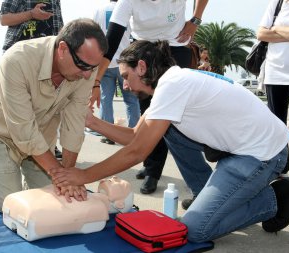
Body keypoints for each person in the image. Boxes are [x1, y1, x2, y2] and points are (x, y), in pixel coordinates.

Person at [52, 40, 289, 242]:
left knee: (194, 230)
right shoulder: (171, 83)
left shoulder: (172, 85)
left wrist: (83, 176)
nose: (124, 85)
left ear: (143, 67)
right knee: (168, 131)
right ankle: (207, 197)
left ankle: (273, 198)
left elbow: (137, 151)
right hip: (242, 148)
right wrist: (93, 122)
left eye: (126, 76)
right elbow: (137, 136)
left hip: (263, 154)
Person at [0, 18, 108, 212]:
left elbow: (74, 123)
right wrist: (60, 175)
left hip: (42, 138)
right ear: (62, 49)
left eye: (93, 68)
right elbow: (24, 129)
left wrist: (67, 176)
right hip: (1, 134)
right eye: (84, 66)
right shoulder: (16, 60)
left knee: (55, 197)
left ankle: (22, 179)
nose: (88, 75)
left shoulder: (86, 66)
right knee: (8, 201)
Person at [89, 0, 209, 195]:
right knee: (149, 114)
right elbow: (111, 42)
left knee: (178, 122)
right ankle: (152, 169)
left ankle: (199, 183)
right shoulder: (127, 2)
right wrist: (96, 81)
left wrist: (196, 19)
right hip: (144, 47)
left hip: (175, 46)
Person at [0, 0, 64, 158]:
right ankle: (9, 142)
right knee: (17, 103)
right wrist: (31, 14)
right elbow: (4, 19)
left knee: (49, 103)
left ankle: (48, 145)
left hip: (48, 56)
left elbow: (60, 26)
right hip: (19, 56)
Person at [93, 0, 140, 145]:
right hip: (124, 62)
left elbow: (94, 33)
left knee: (106, 98)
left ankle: (108, 135)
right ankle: (134, 133)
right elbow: (135, 33)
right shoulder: (127, 9)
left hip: (105, 62)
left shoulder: (99, 10)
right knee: (131, 99)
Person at [257, 0, 289, 174]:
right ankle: (281, 168)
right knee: (276, 125)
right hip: (275, 72)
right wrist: (288, 33)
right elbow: (260, 34)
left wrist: (275, 29)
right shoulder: (277, 3)